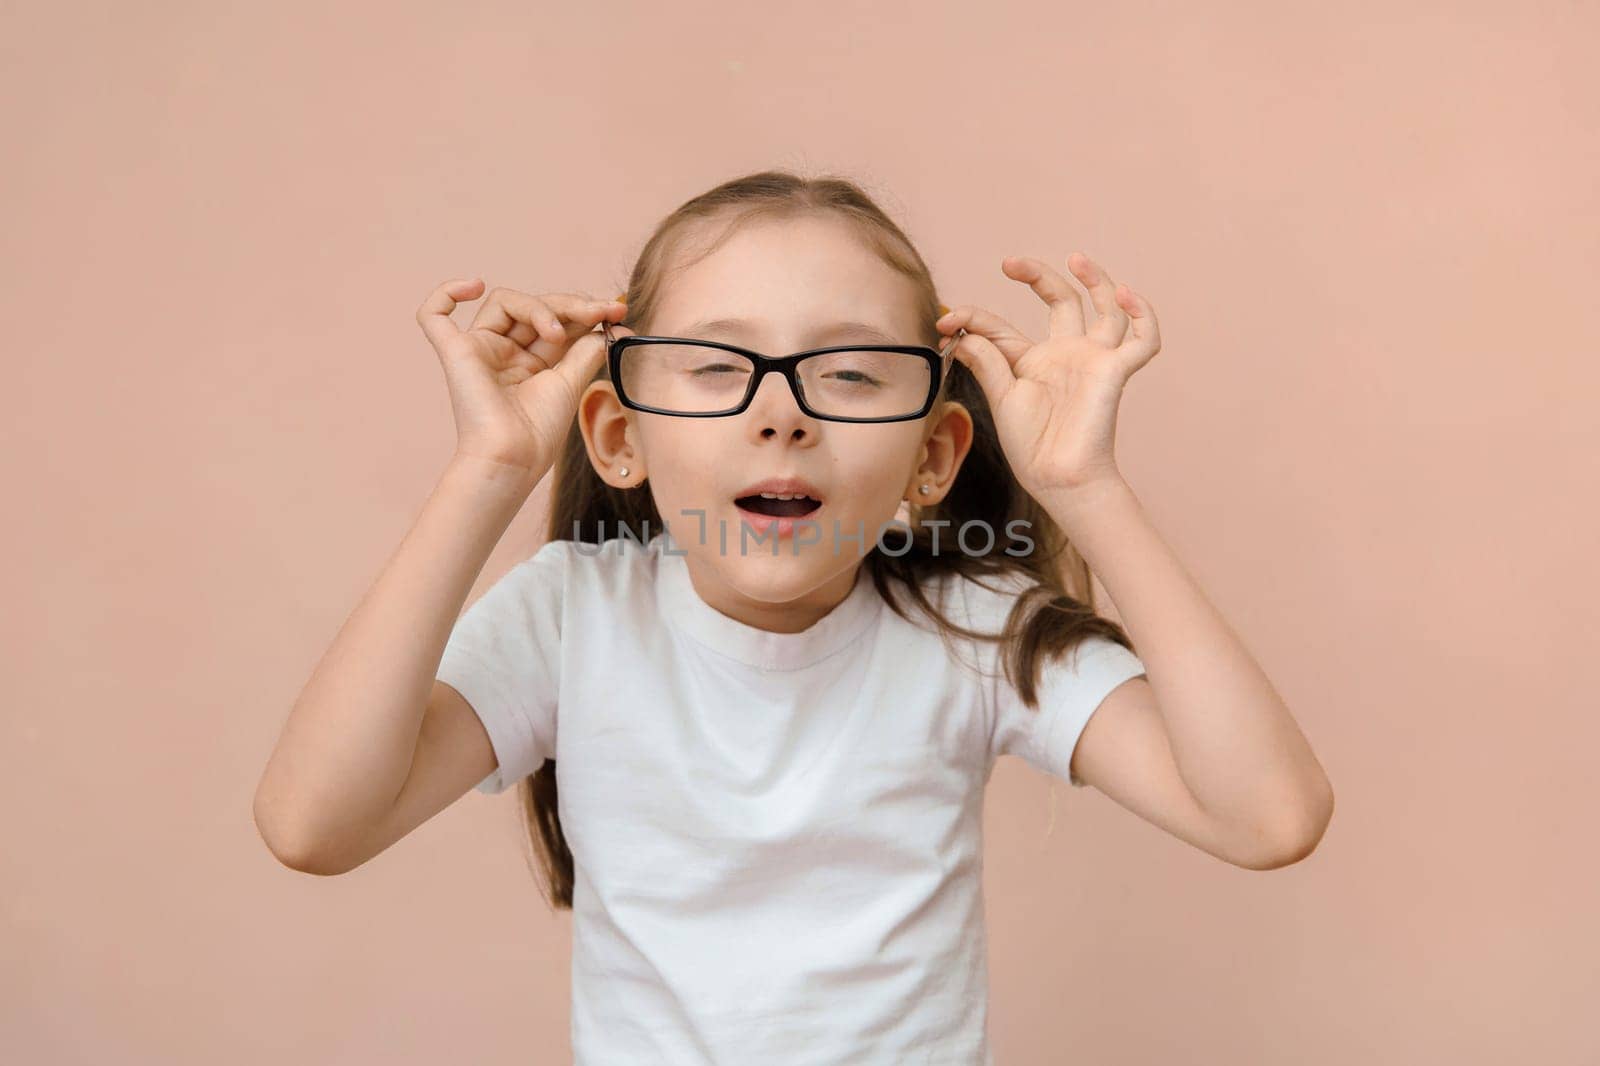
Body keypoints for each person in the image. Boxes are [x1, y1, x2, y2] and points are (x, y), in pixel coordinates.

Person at [254, 169, 1334, 1064]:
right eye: (720, 368)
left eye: (853, 373)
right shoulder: (572, 616)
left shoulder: (973, 629)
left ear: (932, 457)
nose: (782, 415)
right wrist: (486, 471)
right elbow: (314, 824)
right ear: (619, 438)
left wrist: (1086, 486)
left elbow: (1268, 817)